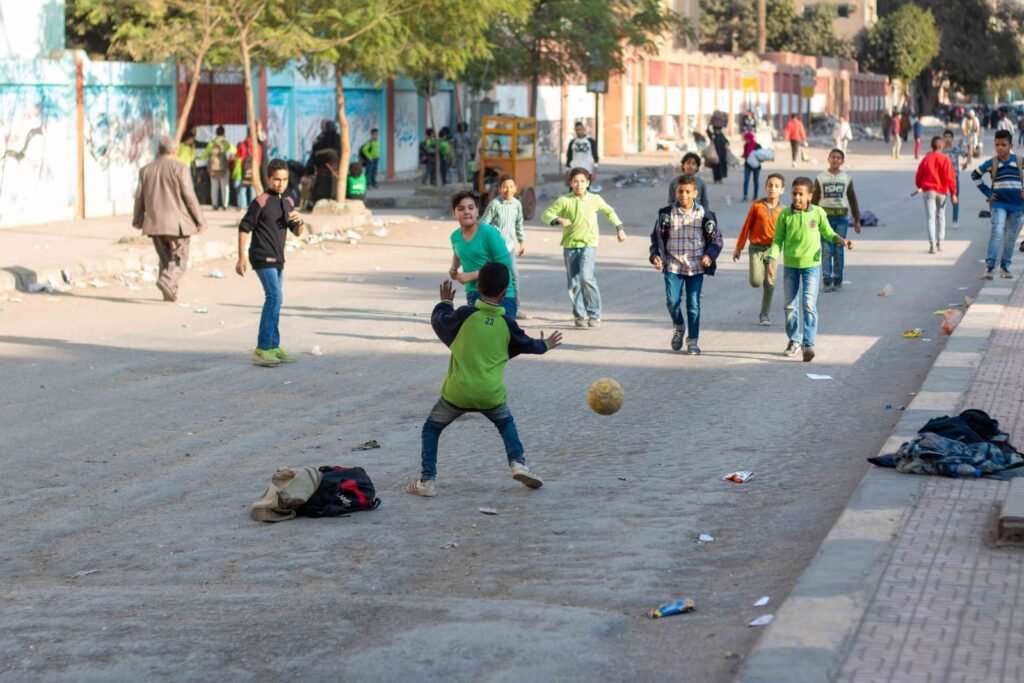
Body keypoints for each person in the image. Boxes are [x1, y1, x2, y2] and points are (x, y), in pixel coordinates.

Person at [405, 264, 561, 498]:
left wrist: (445, 302)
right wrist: (545, 344)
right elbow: (526, 344)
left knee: (431, 428)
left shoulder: (464, 316)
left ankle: (426, 481)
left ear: (478, 287)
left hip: (457, 393)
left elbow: (440, 321)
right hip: (490, 394)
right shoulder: (507, 323)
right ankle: (518, 464)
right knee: (505, 424)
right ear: (504, 292)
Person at [765, 176, 853, 362]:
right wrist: (771, 262)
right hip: (790, 266)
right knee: (790, 306)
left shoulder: (818, 213)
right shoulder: (785, 215)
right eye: (794, 194)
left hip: (811, 266)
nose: (796, 198)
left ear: (809, 196)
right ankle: (794, 340)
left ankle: (808, 344)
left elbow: (828, 233)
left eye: (800, 194)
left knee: (809, 305)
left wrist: (842, 241)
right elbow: (777, 241)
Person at [235, 158, 305, 367]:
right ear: (268, 179)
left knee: (277, 299)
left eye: (284, 180)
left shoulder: (287, 203)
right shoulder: (260, 201)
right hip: (262, 256)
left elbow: (297, 232)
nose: (280, 184)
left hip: (278, 258)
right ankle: (262, 348)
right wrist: (241, 257)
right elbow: (244, 228)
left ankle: (274, 346)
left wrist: (300, 222)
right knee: (274, 296)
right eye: (276, 180)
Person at [540, 168, 627, 328]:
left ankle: (594, 314)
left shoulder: (595, 199)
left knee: (586, 277)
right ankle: (579, 314)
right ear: (570, 183)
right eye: (575, 181)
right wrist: (558, 220)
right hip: (570, 246)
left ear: (588, 183)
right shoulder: (565, 200)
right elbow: (546, 214)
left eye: (582, 181)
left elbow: (609, 212)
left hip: (589, 244)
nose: (578, 185)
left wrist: (619, 228)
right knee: (574, 282)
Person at [648, 174, 723, 356]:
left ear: (695, 193)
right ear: (675, 192)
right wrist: (655, 255)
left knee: (693, 304)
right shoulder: (666, 215)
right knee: (672, 301)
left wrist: (709, 256)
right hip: (673, 266)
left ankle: (693, 341)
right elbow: (655, 238)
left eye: (688, 192)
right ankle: (679, 325)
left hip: (695, 267)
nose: (684, 195)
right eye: (680, 191)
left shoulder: (705, 215)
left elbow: (716, 240)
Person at [132, 136, 206, 303]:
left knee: (166, 259)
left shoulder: (146, 170)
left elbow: (139, 198)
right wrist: (200, 220)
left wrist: (137, 219)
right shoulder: (180, 168)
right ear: (175, 150)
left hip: (154, 223)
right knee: (180, 258)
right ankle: (167, 281)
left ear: (159, 150)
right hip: (177, 224)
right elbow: (189, 196)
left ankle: (169, 292)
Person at [448, 190, 517, 318]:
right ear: (454, 213)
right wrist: (453, 269)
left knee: (502, 336)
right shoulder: (455, 236)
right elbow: (458, 252)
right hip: (474, 293)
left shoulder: (489, 233)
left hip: (500, 296)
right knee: (478, 335)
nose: (467, 212)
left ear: (477, 211)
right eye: (461, 208)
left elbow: (504, 264)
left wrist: (473, 275)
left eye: (471, 208)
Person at [971, 129, 1024, 280]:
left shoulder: (1019, 160)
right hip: (998, 204)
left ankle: (1005, 267)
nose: (1000, 148)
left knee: (1010, 236)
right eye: (997, 145)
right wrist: (988, 192)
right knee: (997, 232)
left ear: (1010, 145)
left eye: (1003, 145)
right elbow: (975, 175)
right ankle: (990, 267)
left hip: (1017, 206)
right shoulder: (992, 163)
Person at [733, 173, 785, 325]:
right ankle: (759, 275)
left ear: (782, 190)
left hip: (773, 250)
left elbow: (788, 233)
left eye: (776, 186)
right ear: (765, 187)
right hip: (755, 248)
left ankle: (764, 314)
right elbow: (746, 226)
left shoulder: (784, 210)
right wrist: (739, 247)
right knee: (756, 281)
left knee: (770, 282)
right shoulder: (757, 206)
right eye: (770, 185)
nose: (772, 189)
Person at [812, 148, 861, 291]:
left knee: (839, 249)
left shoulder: (846, 178)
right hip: (824, 219)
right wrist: (812, 219)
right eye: (832, 157)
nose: (835, 160)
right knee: (826, 250)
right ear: (828, 159)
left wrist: (857, 220)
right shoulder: (820, 178)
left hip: (841, 219)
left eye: (838, 158)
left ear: (842, 161)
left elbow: (852, 199)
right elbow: (814, 200)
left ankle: (838, 279)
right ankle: (827, 281)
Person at [480, 174, 528, 319]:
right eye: (505, 187)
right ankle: (488, 307)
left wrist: (522, 241)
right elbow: (483, 224)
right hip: (495, 249)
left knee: (514, 277)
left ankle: (514, 308)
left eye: (511, 187)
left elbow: (519, 224)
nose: (508, 190)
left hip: (510, 247)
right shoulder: (495, 204)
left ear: (516, 188)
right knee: (493, 277)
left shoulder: (517, 204)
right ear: (500, 189)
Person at [916, 136, 958, 254]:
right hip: (942, 192)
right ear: (941, 146)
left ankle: (932, 245)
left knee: (930, 217)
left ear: (932, 146)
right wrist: (953, 194)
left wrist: (920, 186)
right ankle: (941, 242)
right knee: (941, 216)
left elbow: (919, 176)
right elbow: (951, 178)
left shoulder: (926, 159)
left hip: (929, 191)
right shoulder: (945, 160)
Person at [200, 125, 235, 211]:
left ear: (216, 133)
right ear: (223, 133)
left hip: (213, 169)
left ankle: (215, 205)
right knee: (225, 187)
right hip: (223, 169)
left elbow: (205, 154)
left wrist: (198, 158)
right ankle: (225, 205)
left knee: (214, 187)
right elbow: (234, 150)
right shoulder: (225, 143)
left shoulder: (211, 143)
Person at [307, 120, 341, 204]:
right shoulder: (339, 137)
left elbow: (315, 153)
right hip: (335, 166)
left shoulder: (321, 138)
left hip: (323, 166)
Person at [941, 128, 969, 230]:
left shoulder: (956, 150)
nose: (948, 139)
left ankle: (955, 221)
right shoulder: (941, 151)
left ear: (952, 139)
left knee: (955, 199)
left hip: (954, 178)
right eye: (946, 137)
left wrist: (966, 163)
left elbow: (967, 154)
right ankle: (941, 220)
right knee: (941, 200)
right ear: (943, 138)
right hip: (942, 180)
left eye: (949, 137)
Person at [234, 130, 260, 208]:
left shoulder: (241, 145)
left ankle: (243, 206)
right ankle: (253, 207)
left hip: (243, 170)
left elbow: (237, 158)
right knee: (253, 188)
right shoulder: (257, 146)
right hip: (254, 170)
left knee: (242, 188)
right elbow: (259, 159)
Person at [741, 130, 760, 201]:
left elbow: (760, 156)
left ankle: (755, 196)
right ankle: (745, 195)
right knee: (746, 180)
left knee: (755, 181)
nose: (746, 140)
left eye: (747, 139)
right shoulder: (745, 146)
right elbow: (745, 154)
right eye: (745, 139)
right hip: (748, 165)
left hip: (756, 166)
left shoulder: (757, 145)